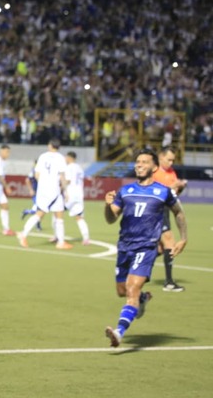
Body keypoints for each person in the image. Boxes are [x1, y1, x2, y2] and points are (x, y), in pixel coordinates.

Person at [104, 148, 188, 347]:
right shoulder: (125, 190)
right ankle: (142, 299)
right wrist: (107, 206)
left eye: (144, 162)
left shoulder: (162, 191)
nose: (139, 165)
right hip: (125, 246)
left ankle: (119, 332)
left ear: (154, 167)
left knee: (131, 289)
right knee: (122, 291)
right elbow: (110, 219)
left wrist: (183, 238)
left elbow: (179, 213)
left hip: (146, 247)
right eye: (137, 162)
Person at [17, 138, 72, 250]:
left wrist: (43, 185)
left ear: (50, 145)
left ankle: (60, 241)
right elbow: (62, 177)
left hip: (43, 190)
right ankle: (23, 235)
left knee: (43, 213)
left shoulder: (42, 157)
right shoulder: (60, 158)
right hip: (54, 190)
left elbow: (37, 175)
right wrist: (66, 191)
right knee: (57, 215)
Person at [152, 146, 188, 292]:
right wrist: (173, 185)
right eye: (169, 159)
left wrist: (180, 187)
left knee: (161, 248)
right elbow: (158, 192)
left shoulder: (171, 172)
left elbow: (174, 194)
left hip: (166, 209)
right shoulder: (155, 172)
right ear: (161, 157)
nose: (171, 163)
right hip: (156, 210)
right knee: (169, 241)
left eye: (173, 160)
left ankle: (134, 266)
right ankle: (169, 282)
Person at [64, 151, 90, 245]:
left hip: (70, 194)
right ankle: (86, 238)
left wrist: (60, 186)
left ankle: (57, 236)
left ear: (69, 157)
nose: (65, 159)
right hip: (79, 195)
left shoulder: (68, 167)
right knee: (79, 217)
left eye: (66, 157)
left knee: (57, 212)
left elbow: (68, 180)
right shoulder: (79, 168)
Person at [20, 160, 43, 231]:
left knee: (41, 209)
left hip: (42, 193)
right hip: (36, 193)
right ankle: (26, 211)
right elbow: (27, 180)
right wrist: (31, 190)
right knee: (38, 209)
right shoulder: (33, 171)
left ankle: (38, 224)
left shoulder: (43, 170)